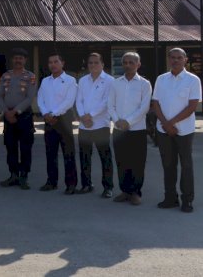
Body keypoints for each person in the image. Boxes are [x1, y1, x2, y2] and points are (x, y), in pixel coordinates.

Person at [152, 48, 202, 213]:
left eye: (179, 58)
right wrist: (165, 124)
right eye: (172, 58)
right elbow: (156, 103)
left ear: (185, 60)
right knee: (168, 165)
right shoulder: (161, 79)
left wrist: (171, 123)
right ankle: (170, 198)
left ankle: (187, 200)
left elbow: (192, 106)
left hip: (184, 130)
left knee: (186, 165)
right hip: (163, 129)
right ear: (168, 59)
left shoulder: (192, 80)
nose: (175, 60)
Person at [107, 52, 151, 206]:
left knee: (137, 162)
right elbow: (110, 104)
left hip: (137, 130)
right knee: (121, 161)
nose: (127, 65)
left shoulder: (144, 84)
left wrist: (129, 121)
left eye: (131, 62)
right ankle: (125, 190)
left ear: (138, 64)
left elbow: (144, 107)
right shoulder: (115, 83)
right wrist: (117, 120)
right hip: (119, 129)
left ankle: (135, 192)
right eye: (125, 62)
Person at [37, 54, 78, 194]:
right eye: (50, 62)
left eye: (56, 62)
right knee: (50, 153)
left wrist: (53, 114)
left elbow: (69, 101)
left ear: (62, 63)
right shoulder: (45, 81)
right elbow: (40, 99)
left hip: (63, 119)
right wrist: (45, 114)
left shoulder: (70, 80)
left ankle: (71, 184)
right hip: (48, 119)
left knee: (68, 153)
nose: (53, 64)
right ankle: (51, 181)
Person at [0, 48, 37, 190]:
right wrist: (6, 111)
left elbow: (29, 97)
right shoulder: (5, 76)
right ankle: (13, 175)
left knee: (25, 147)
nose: (18, 60)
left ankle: (24, 176)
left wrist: (16, 111)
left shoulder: (30, 76)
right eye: (16, 58)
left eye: (21, 58)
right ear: (12, 60)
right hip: (8, 116)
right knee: (10, 146)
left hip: (24, 116)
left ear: (25, 60)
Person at [75, 53, 114, 197]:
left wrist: (90, 115)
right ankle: (86, 184)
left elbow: (106, 102)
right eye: (90, 63)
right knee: (84, 156)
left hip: (100, 124)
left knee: (105, 157)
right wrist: (83, 116)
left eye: (96, 62)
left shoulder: (109, 81)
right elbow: (78, 100)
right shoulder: (83, 80)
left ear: (102, 64)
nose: (93, 65)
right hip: (84, 125)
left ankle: (108, 187)